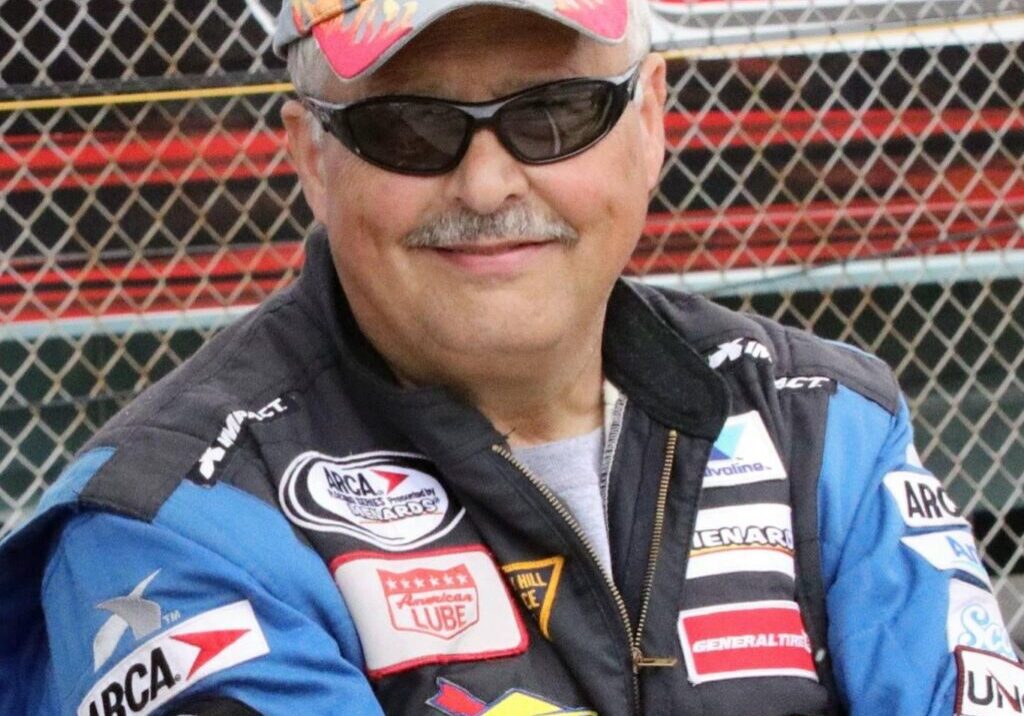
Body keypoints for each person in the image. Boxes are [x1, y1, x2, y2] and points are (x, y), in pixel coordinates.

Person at [0, 0, 1020, 714]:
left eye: (550, 115)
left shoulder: (822, 421)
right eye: (409, 127)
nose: (487, 183)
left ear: (651, 118)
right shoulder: (178, 522)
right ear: (313, 157)